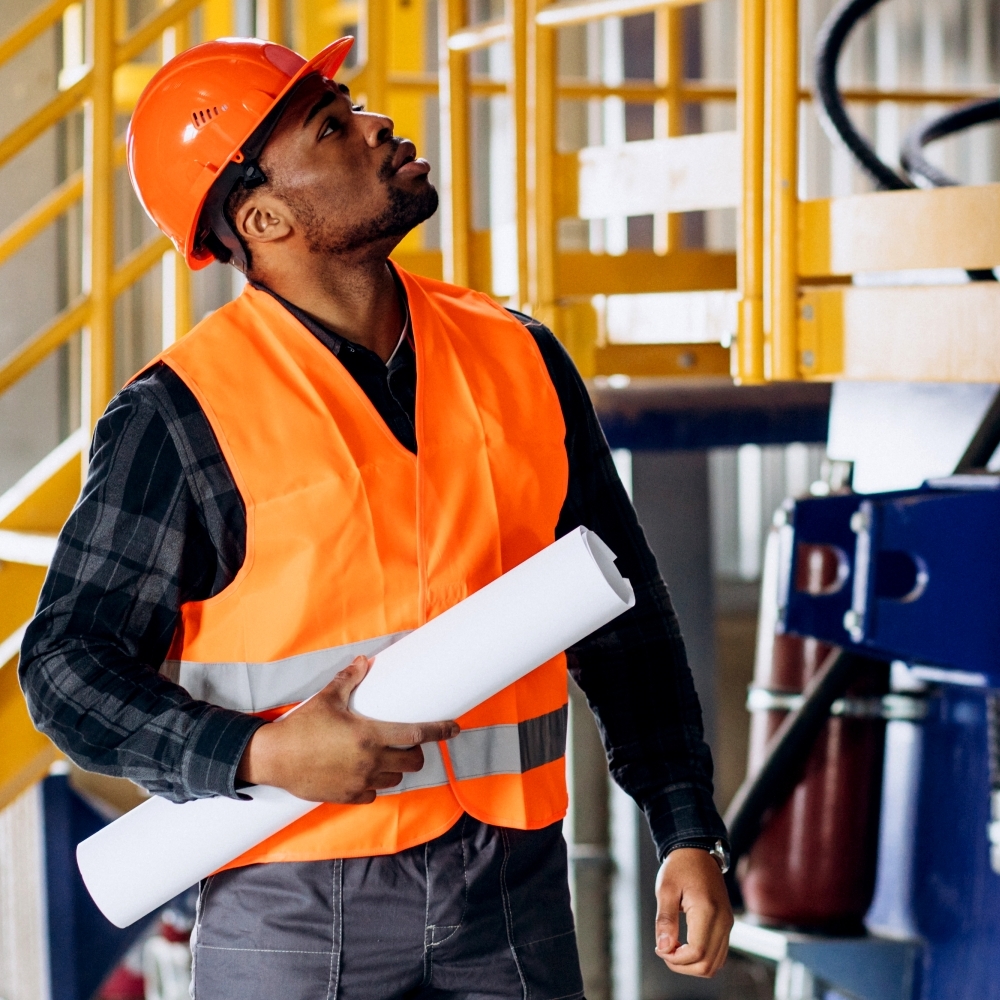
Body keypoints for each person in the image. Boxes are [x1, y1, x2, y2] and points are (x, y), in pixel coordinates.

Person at [19, 34, 732, 1000]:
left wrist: (685, 825)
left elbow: (626, 612)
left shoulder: (517, 353)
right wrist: (256, 752)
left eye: (348, 106)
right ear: (264, 215)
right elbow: (65, 666)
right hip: (292, 897)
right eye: (331, 125)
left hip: (511, 894)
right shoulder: (181, 414)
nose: (375, 125)